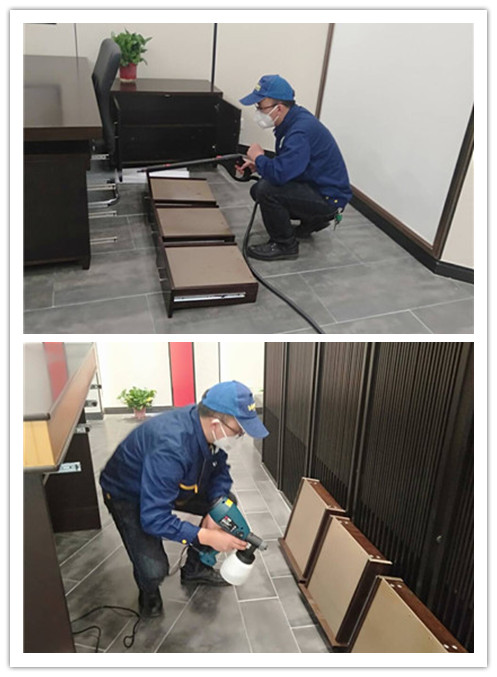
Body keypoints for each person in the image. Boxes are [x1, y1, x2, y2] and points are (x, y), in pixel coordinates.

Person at [99, 380, 269, 618]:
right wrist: (206, 536)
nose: (241, 435)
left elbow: (220, 472)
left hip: (171, 482)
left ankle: (195, 568)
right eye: (238, 430)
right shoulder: (171, 447)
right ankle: (148, 592)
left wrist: (216, 507)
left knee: (225, 507)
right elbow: (154, 518)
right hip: (127, 493)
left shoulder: (209, 430)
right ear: (216, 423)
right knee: (154, 570)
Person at [238, 74, 352, 261]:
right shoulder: (294, 119)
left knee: (265, 190)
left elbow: (280, 174)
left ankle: (285, 245)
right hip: (320, 188)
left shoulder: (300, 131)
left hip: (329, 198)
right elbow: (290, 163)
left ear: (279, 108)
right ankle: (311, 221)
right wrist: (260, 165)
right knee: (260, 187)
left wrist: (258, 157)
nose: (258, 112)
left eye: (260, 107)